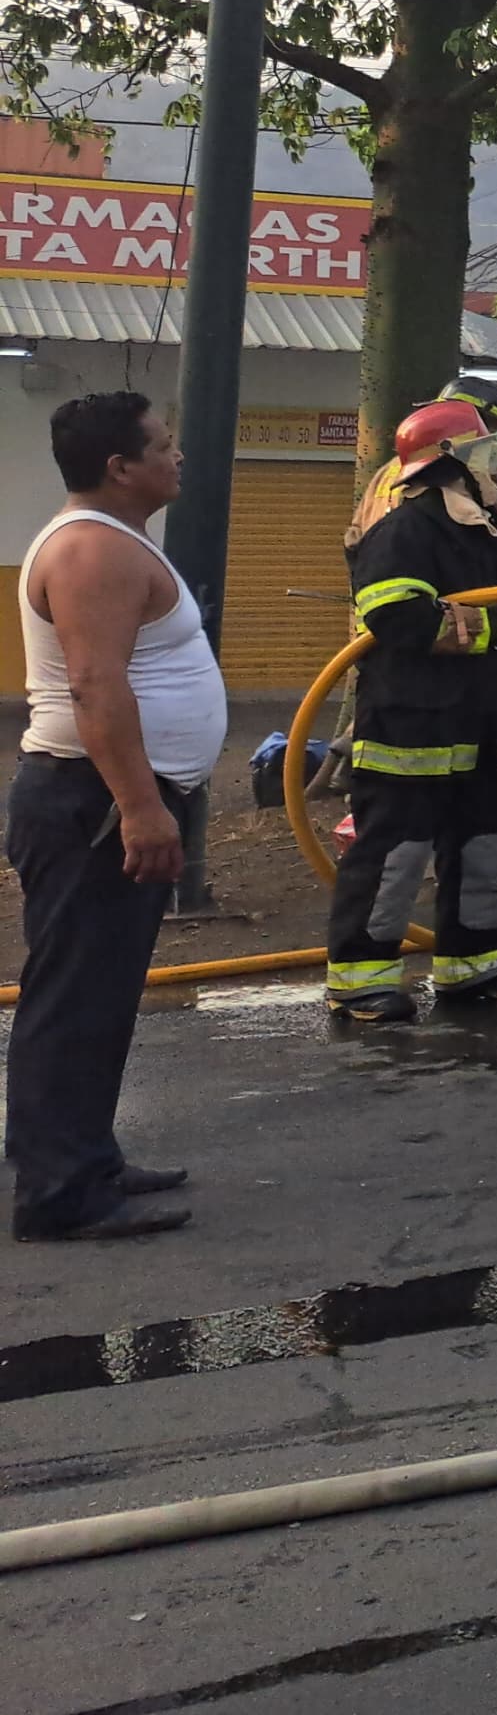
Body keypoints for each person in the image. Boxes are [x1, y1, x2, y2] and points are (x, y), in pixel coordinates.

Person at [6, 394, 221, 1240]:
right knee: (76, 997)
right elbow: (97, 688)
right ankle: (60, 1195)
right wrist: (139, 808)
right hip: (92, 801)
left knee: (96, 994)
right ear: (118, 468)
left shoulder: (114, 540)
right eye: (163, 446)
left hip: (105, 797)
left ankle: (80, 1156)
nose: (178, 458)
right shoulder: (92, 549)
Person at [328, 396, 497, 1022]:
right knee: (395, 856)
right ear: (448, 463)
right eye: (486, 456)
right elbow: (401, 618)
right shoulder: (402, 532)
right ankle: (360, 978)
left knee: (487, 850)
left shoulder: (484, 536)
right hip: (410, 726)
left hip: (479, 725)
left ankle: (478, 969)